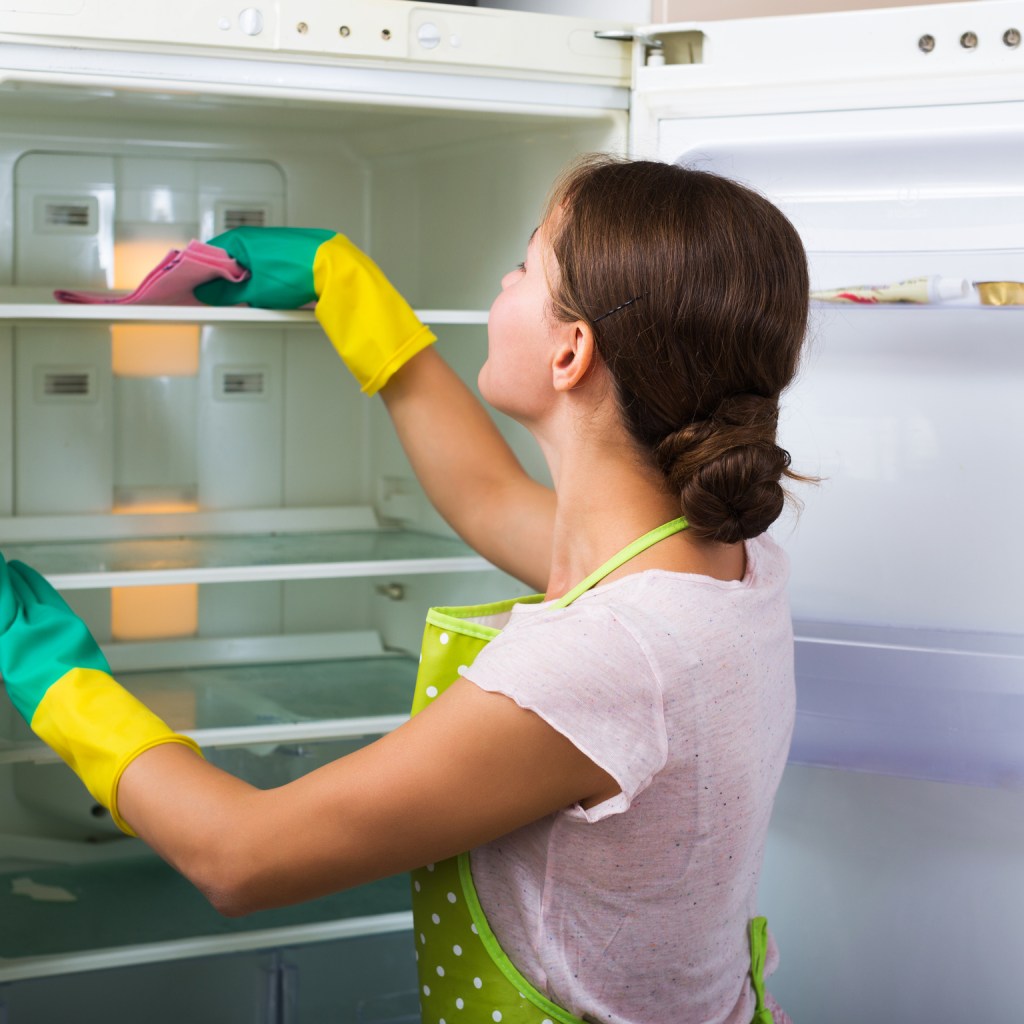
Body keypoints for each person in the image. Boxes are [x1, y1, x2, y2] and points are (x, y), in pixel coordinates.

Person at [0, 155, 809, 1024]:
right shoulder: (715, 567)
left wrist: (52, 674)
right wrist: (349, 295)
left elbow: (238, 856)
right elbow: (486, 496)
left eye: (526, 265)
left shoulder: (604, 661)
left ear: (571, 351)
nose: (504, 280)